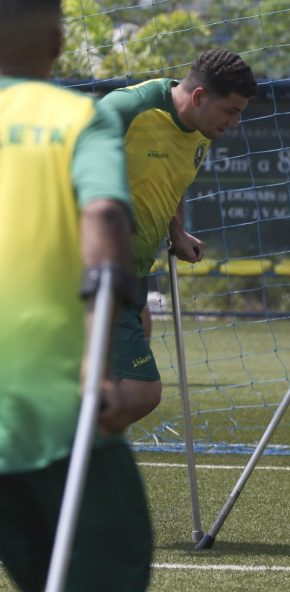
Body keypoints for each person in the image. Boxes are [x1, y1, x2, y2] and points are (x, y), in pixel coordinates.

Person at [0, 1, 152, 590]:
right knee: (110, 569)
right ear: (58, 43)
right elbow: (106, 216)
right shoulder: (79, 117)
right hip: (58, 400)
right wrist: (98, 359)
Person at [99, 49, 258, 426]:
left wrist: (177, 231)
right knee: (140, 391)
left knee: (127, 352)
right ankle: (51, 461)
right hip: (90, 268)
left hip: (134, 271)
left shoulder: (202, 129)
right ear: (199, 96)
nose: (235, 123)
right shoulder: (127, 109)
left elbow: (171, 179)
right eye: (231, 111)